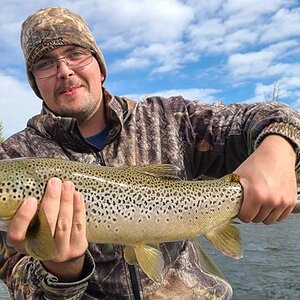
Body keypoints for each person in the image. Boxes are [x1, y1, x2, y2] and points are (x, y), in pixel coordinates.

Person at [0, 6, 299, 300]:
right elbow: (16, 276)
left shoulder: (170, 118)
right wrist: (63, 272)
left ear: (100, 68)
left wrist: (279, 149)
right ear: (35, 84)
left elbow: (272, 115)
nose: (64, 71)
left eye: (76, 54)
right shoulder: (14, 155)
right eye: (45, 63)